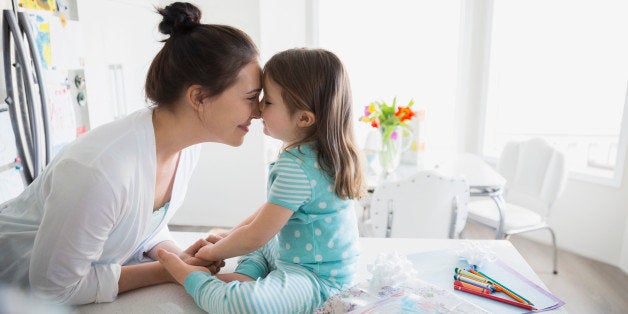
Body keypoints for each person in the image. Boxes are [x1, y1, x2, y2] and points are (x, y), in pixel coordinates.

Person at [0, 2, 261, 305]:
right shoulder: (99, 170)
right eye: (251, 98)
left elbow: (142, 223)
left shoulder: (184, 148)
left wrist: (177, 256)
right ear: (199, 97)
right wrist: (166, 270)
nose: (258, 113)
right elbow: (54, 288)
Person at [157, 48, 365, 313]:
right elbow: (266, 215)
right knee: (259, 242)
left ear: (303, 118)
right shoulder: (318, 154)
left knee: (247, 303)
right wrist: (229, 237)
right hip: (296, 254)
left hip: (317, 278)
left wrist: (212, 254)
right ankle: (246, 274)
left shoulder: (298, 165)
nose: (257, 109)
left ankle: (187, 276)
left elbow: (257, 233)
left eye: (267, 102)